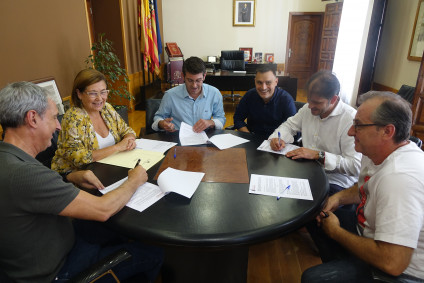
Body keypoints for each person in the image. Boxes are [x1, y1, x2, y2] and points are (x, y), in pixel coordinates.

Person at [0, 82, 163, 282]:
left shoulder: (9, 159)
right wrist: (135, 180)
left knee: (119, 233)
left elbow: (35, 193)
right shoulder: (24, 174)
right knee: (153, 251)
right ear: (32, 118)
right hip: (58, 271)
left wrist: (70, 176)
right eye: (53, 117)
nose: (58, 126)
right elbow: (103, 210)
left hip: (48, 247)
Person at [301, 91, 424, 282]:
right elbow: (366, 186)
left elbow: (393, 263)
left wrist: (336, 232)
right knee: (314, 212)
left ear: (387, 131)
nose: (351, 132)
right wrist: (338, 198)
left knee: (313, 279)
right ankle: (344, 264)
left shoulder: (399, 179)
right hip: (371, 233)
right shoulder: (375, 150)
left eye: (358, 126)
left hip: (404, 272)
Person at [269, 70, 361, 195]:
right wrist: (278, 138)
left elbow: (355, 166)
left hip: (335, 181)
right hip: (306, 171)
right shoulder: (307, 109)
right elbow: (289, 126)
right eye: (309, 100)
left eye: (317, 102)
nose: (310, 106)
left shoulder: (350, 119)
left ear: (334, 99)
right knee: (274, 185)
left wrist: (319, 155)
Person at [51, 69, 137, 174]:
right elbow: (78, 158)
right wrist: (118, 147)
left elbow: (126, 129)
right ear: (79, 94)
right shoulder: (73, 118)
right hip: (77, 176)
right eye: (93, 93)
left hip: (110, 168)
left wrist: (129, 139)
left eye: (103, 92)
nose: (100, 98)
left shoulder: (106, 108)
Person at [152, 56, 226, 133]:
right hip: (178, 138)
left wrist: (211, 122)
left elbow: (221, 119)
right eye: (190, 80)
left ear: (204, 76)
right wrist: (161, 123)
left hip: (204, 138)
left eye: (198, 80)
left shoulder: (214, 93)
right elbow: (158, 117)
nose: (194, 85)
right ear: (183, 76)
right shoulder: (170, 95)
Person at [233, 65, 296, 137]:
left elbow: (293, 128)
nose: (263, 87)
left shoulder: (286, 100)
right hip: (253, 139)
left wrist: (278, 140)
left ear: (276, 82)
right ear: (255, 82)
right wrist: (249, 136)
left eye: (268, 82)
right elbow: (238, 118)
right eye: (259, 82)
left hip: (277, 142)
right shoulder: (250, 95)